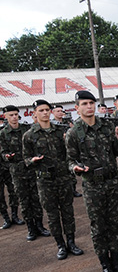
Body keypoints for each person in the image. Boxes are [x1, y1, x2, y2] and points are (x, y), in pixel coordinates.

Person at [66, 91, 118, 272]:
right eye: (84, 104)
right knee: (98, 226)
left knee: (114, 223)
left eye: (91, 103)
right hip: (92, 184)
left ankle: (117, 263)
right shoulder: (73, 133)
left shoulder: (107, 127)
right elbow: (70, 160)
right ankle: (105, 266)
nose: (89, 106)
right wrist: (75, 168)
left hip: (112, 182)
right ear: (77, 108)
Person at [22, 99, 84, 260]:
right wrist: (33, 160)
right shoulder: (29, 136)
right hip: (45, 181)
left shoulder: (60, 131)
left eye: (46, 110)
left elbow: (71, 152)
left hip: (63, 178)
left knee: (68, 212)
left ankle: (71, 242)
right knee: (52, 215)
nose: (44, 113)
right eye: (40, 110)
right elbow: (26, 159)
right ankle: (61, 245)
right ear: (34, 113)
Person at [0, 105, 48, 239]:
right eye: (11, 115)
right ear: (6, 117)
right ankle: (31, 228)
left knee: (36, 198)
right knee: (24, 200)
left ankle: (40, 225)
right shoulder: (3, 133)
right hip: (17, 171)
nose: (14, 117)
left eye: (16, 114)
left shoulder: (27, 129)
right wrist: (7, 156)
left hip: (31, 169)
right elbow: (3, 152)